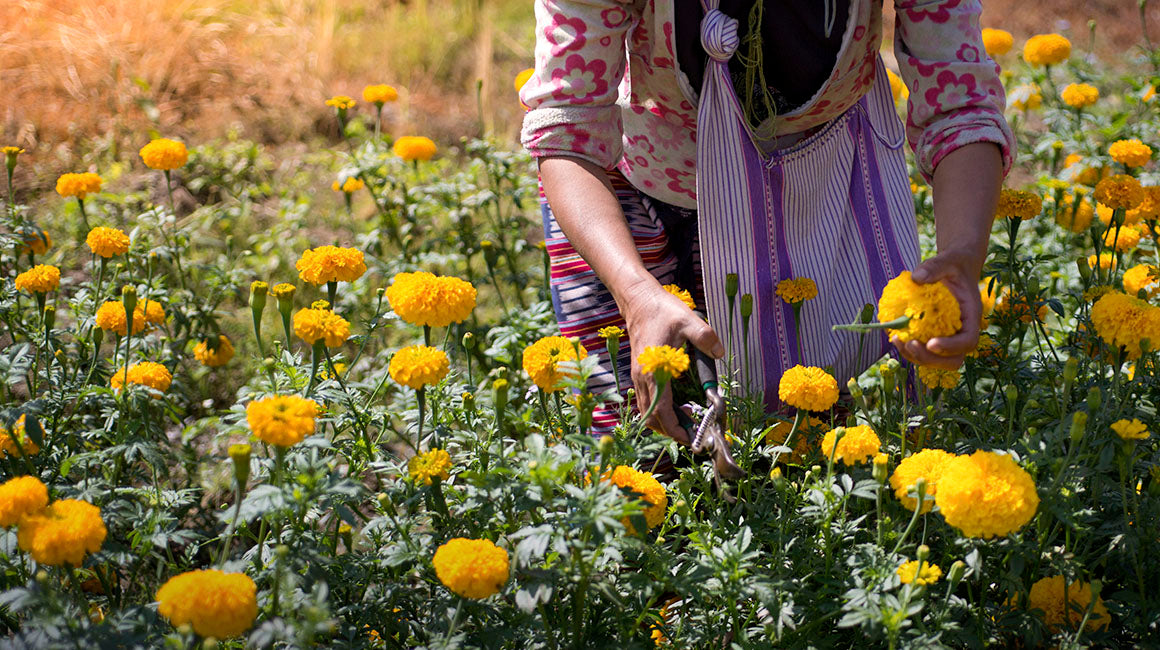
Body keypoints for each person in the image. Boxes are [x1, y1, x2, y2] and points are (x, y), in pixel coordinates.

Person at [519, 0, 1012, 441]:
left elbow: (960, 107)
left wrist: (963, 254)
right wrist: (635, 295)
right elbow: (568, 127)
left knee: (820, 446)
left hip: (817, 198)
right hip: (629, 209)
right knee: (636, 452)